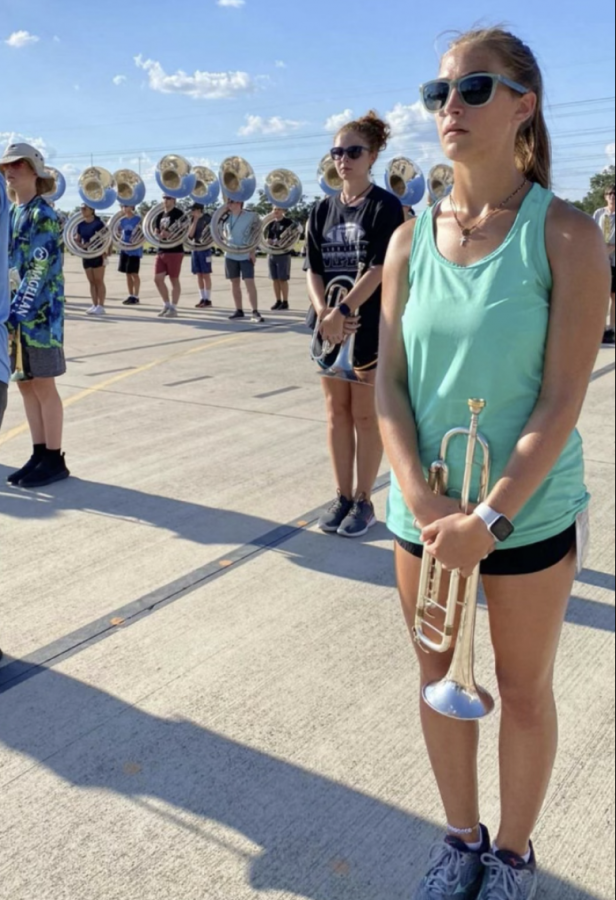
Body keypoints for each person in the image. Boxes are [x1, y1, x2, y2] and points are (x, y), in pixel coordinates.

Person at [376, 28, 609, 900]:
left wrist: (492, 517)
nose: (449, 110)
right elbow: (389, 388)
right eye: (439, 95)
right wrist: (418, 497)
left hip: (524, 515)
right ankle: (460, 839)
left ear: (524, 104)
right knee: (439, 681)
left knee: (522, 687)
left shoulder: (569, 236)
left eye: (472, 90)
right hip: (426, 518)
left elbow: (560, 399)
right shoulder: (405, 242)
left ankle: (512, 856)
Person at [307, 111, 404, 538]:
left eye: (352, 151)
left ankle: (364, 500)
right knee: (336, 414)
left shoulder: (387, 206)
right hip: (328, 326)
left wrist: (343, 311)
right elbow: (312, 268)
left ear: (373, 155)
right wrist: (324, 314)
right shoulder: (321, 209)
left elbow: (382, 266)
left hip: (366, 325)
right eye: (336, 152)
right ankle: (342, 495)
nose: (343, 159)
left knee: (366, 417)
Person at [0, 142, 70, 489]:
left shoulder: (43, 214)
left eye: (18, 166)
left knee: (44, 385)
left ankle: (55, 458)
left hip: (39, 318)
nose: (10, 172)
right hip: (15, 316)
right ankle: (39, 452)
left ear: (34, 172)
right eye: (5, 167)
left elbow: (39, 268)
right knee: (26, 386)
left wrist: (17, 312)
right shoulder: (11, 212)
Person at [224, 199, 263, 323]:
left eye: (232, 202)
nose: (229, 204)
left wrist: (252, 251)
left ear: (239, 203)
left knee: (249, 283)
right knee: (234, 282)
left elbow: (257, 233)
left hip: (245, 254)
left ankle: (255, 311)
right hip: (230, 254)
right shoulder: (225, 217)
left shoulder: (250, 216)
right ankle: (238, 310)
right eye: (229, 202)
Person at [153, 195, 186, 318]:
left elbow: (184, 231)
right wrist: (157, 233)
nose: (165, 201)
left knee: (174, 279)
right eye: (164, 198)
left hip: (175, 251)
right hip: (161, 249)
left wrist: (170, 234)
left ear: (174, 200)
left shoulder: (179, 214)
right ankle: (166, 304)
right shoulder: (159, 215)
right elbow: (156, 230)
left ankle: (173, 308)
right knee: (157, 279)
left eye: (168, 199)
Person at [593, 184, 615, 345]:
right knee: (599, 295)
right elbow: (592, 233)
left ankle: (611, 329)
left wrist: (611, 248)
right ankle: (599, 328)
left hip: (614, 259)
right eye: (609, 194)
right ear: (605, 196)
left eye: (614, 194)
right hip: (600, 259)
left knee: (614, 296)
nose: (612, 196)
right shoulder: (599, 213)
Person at [76, 205, 107, 316]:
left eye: (84, 209)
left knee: (99, 280)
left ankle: (101, 305)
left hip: (98, 254)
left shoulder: (99, 223)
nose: (82, 211)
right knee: (91, 281)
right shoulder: (80, 225)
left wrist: (105, 252)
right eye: (81, 209)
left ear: (92, 210)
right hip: (86, 255)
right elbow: (77, 239)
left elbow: (107, 238)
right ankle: (94, 304)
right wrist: (81, 245)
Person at [267, 207, 294, 310]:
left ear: (283, 210)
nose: (276, 211)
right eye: (274, 209)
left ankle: (285, 301)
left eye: (278, 209)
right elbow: (269, 238)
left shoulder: (288, 222)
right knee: (274, 279)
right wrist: (269, 242)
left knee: (283, 279)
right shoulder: (271, 223)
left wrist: (282, 243)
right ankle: (278, 300)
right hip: (272, 253)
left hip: (283, 253)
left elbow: (292, 237)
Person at [188, 203, 214, 308]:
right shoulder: (192, 219)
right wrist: (194, 221)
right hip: (195, 248)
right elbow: (190, 235)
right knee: (198, 274)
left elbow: (213, 232)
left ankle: (208, 299)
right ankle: (202, 298)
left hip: (205, 248)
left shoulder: (208, 218)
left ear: (199, 210)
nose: (191, 212)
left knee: (206, 274)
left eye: (193, 210)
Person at [118, 205, 143, 306]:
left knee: (134, 273)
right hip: (124, 249)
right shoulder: (121, 220)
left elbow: (142, 233)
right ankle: (130, 295)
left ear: (132, 207)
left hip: (134, 249)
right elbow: (118, 232)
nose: (124, 208)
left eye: (126, 206)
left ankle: (136, 296)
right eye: (122, 206)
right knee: (127, 274)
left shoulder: (138, 219)